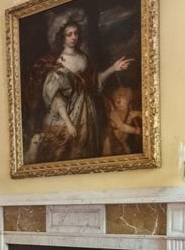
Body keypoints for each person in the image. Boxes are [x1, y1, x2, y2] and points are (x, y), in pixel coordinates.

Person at [28, 8, 134, 163]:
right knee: (67, 151)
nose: (73, 37)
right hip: (68, 115)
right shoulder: (59, 63)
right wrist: (69, 123)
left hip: (88, 112)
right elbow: (57, 97)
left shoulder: (83, 57)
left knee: (87, 150)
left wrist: (113, 68)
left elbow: (95, 82)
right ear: (61, 38)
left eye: (76, 33)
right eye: (69, 34)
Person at [101, 85, 143, 156]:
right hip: (110, 142)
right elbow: (121, 126)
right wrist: (135, 130)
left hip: (122, 142)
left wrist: (137, 114)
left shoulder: (129, 112)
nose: (118, 99)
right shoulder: (114, 113)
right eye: (116, 98)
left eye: (121, 96)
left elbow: (144, 116)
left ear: (128, 99)